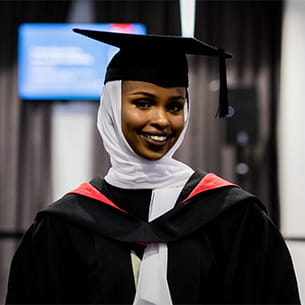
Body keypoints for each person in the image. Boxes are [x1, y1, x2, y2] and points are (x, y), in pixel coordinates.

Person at [6, 30, 300, 305]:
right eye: (143, 103)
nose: (161, 120)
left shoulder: (233, 216)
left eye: (174, 107)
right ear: (112, 108)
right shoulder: (63, 226)